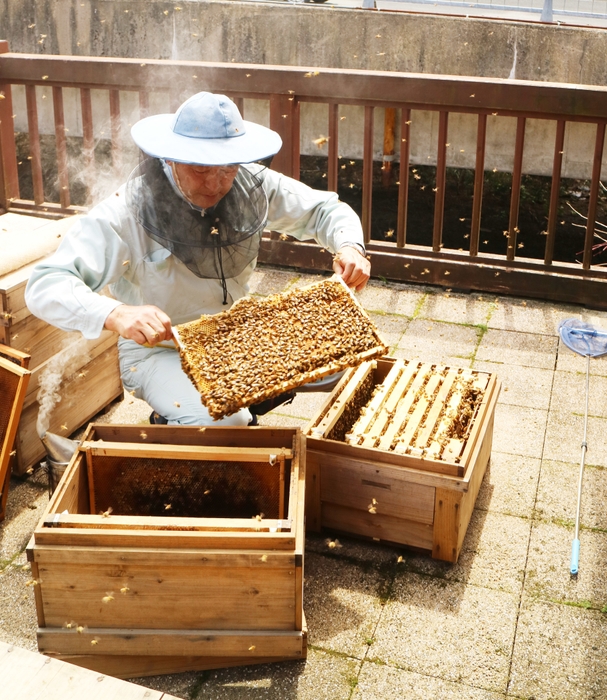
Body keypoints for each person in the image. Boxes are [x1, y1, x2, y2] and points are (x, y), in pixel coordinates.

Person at [25, 91, 371, 426]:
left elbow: (325, 209)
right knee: (227, 422)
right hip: (160, 350)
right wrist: (116, 313)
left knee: (342, 359)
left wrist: (351, 245)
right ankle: (184, 417)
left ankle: (246, 399)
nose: (216, 183)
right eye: (201, 169)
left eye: (227, 168)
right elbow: (46, 284)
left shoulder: (251, 185)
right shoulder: (123, 211)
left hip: (235, 333)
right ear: (171, 158)